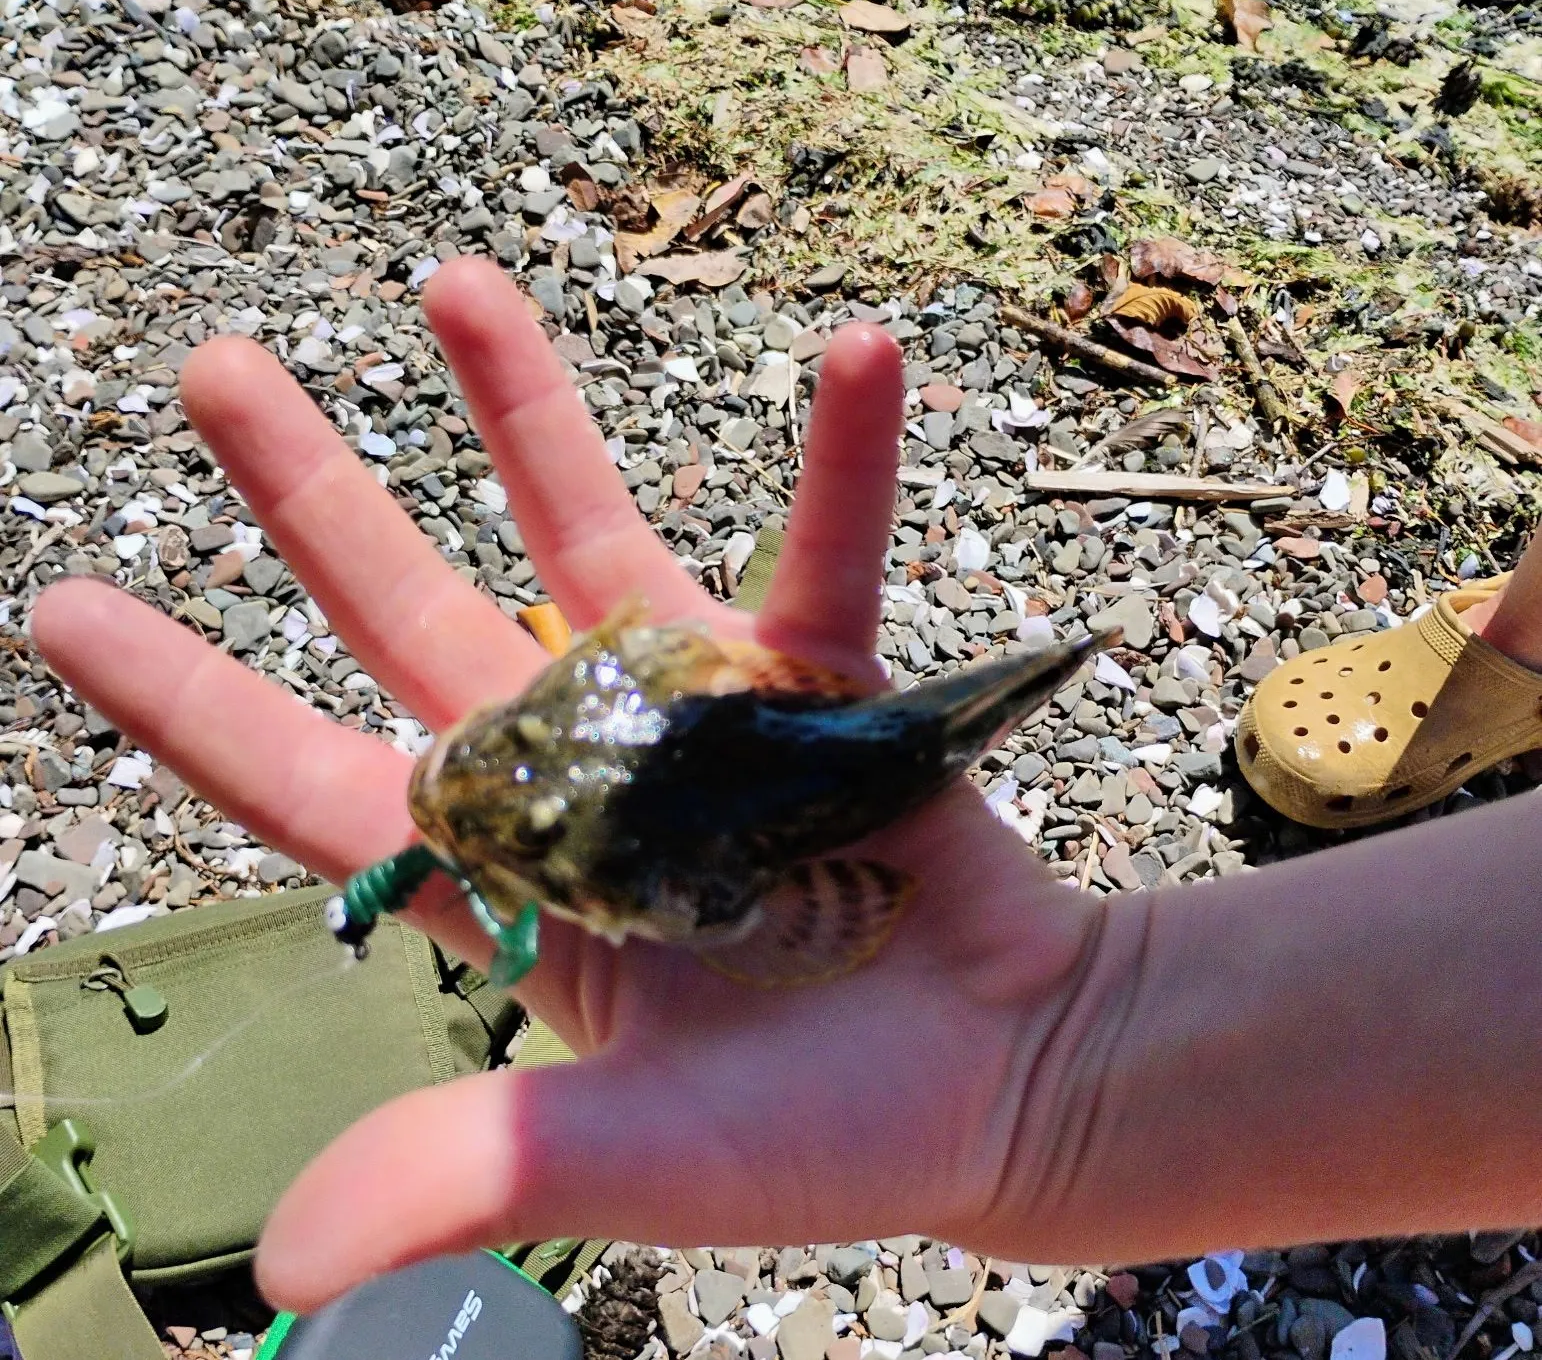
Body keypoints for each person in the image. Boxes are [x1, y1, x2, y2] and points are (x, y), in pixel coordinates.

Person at [30, 258, 1542, 1316]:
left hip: (819, 772)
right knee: (955, 710)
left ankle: (1082, 662)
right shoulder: (597, 800)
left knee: (965, 709)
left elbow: (793, 906)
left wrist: (1063, 1066)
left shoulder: (662, 853)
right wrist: (1070, 1064)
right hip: (772, 773)